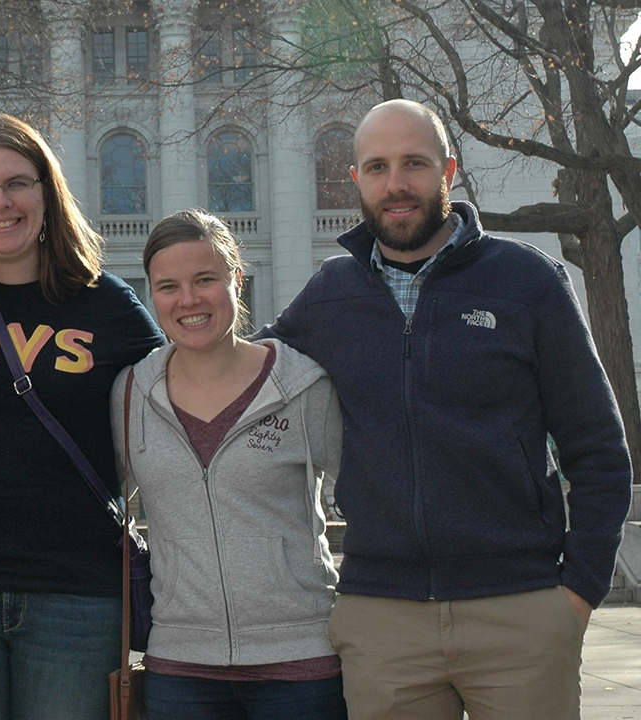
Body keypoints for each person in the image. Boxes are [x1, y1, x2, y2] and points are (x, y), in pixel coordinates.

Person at [260, 99, 633, 719]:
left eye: (414, 164)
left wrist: (578, 592)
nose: (396, 184)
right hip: (383, 619)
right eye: (376, 167)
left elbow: (597, 447)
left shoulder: (528, 281)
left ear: (449, 172)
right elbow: (243, 375)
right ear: (355, 181)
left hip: (520, 608)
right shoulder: (330, 293)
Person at [0, 113, 165, 720]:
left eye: (17, 182)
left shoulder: (108, 305)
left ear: (47, 192)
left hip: (77, 592)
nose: (1, 202)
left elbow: (173, 405)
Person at [111, 209, 347, 719]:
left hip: (302, 660)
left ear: (236, 280)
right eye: (168, 286)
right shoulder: (131, 393)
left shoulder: (303, 387)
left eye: (205, 280)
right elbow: (106, 499)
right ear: (152, 293)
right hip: (181, 667)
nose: (189, 300)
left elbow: (370, 504)